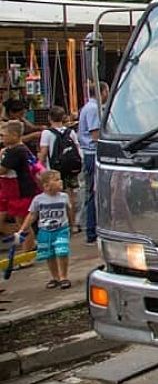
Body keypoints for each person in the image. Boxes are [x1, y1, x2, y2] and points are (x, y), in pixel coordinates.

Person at [17, 169, 71, 288]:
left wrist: (71, 226)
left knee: (62, 252)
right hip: (45, 231)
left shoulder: (64, 197)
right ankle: (55, 277)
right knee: (49, 254)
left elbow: (69, 211)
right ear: (46, 186)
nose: (60, 181)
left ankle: (63, 276)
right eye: (56, 180)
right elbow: (32, 215)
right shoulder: (38, 199)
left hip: (61, 229)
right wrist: (22, 230)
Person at [39, 106, 83, 234]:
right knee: (70, 196)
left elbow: (43, 153)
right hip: (71, 168)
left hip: (54, 170)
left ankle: (58, 224)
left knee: (54, 196)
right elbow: (77, 149)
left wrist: (38, 167)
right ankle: (73, 224)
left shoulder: (46, 133)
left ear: (49, 118)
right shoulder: (71, 132)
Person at [0, 120, 40, 254]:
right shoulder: (15, 149)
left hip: (22, 191)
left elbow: (2, 169)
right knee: (20, 222)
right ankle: (30, 244)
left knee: (23, 223)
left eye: (4, 135)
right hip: (17, 191)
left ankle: (26, 252)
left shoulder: (16, 150)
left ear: (15, 135)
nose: (2, 138)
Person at [77, 82, 107, 244]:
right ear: (102, 92)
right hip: (92, 154)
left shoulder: (87, 108)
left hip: (89, 153)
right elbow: (96, 135)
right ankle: (92, 230)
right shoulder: (93, 109)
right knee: (94, 193)